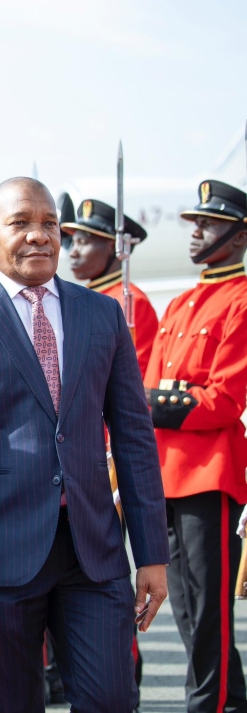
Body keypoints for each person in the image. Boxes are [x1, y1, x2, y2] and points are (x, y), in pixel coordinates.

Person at [0, 177, 169, 712]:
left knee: (111, 701)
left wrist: (151, 554)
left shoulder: (101, 314)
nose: (39, 236)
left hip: (93, 556)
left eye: (49, 224)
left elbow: (134, 438)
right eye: (20, 224)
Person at [144, 179, 247, 712]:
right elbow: (164, 387)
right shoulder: (183, 302)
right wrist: (167, 395)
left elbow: (224, 400)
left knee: (210, 610)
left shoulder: (242, 299)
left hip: (210, 472)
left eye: (208, 223)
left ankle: (207, 705)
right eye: (195, 221)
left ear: (238, 235)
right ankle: (228, 700)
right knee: (182, 604)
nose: (196, 231)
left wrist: (158, 398)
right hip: (166, 471)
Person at [62, 198, 158, 373]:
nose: (73, 252)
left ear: (113, 247)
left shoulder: (130, 301)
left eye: (83, 243)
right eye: (73, 243)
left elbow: (136, 373)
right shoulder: (77, 298)